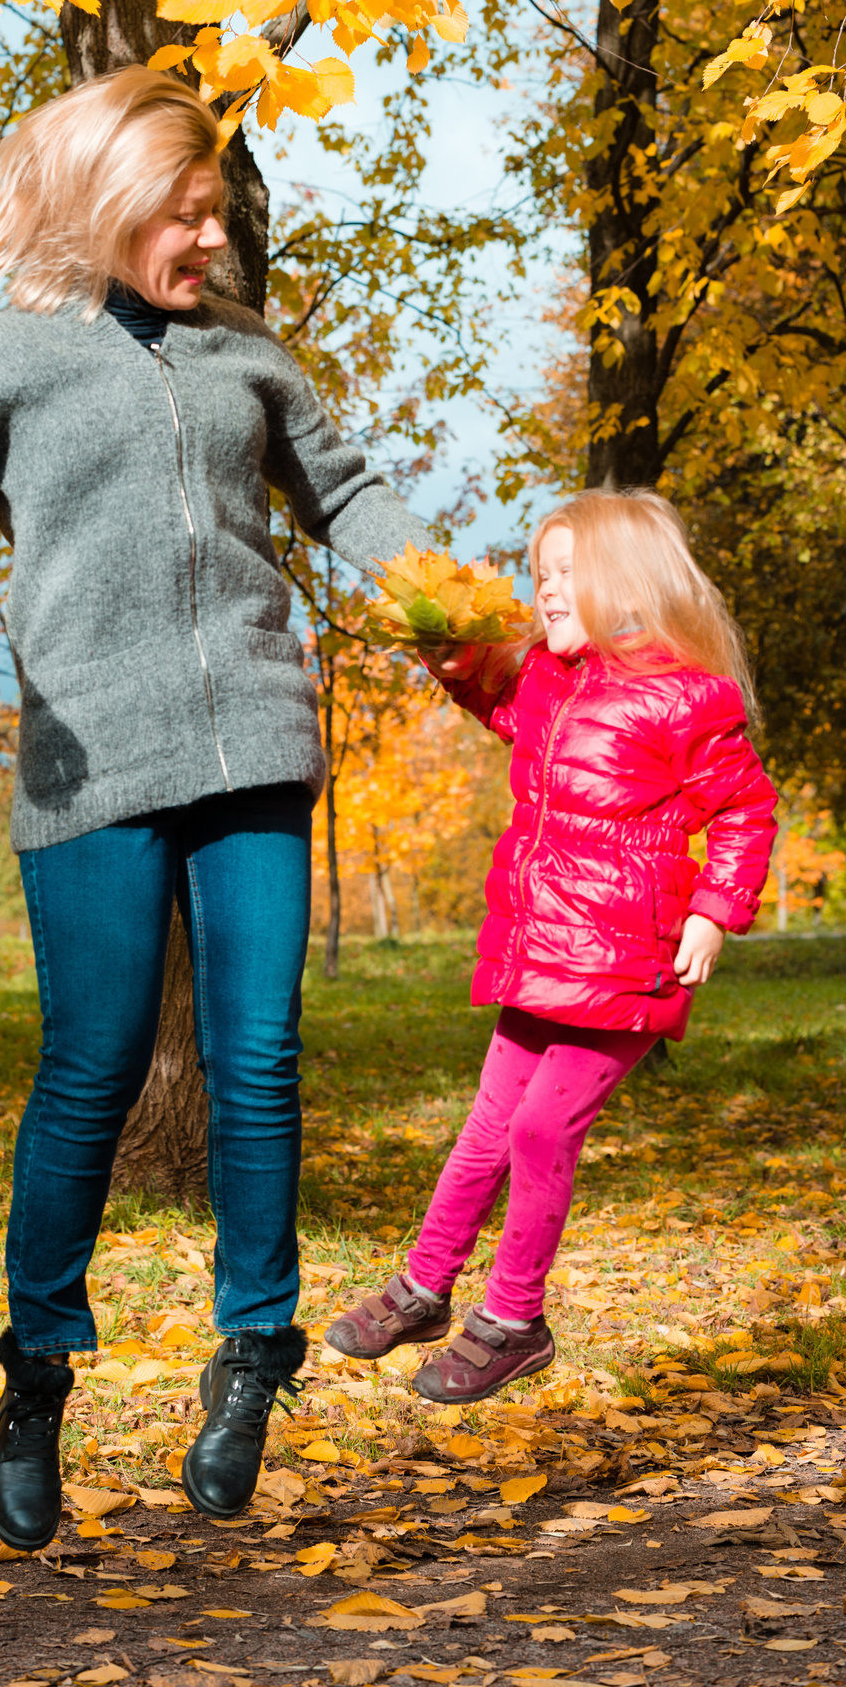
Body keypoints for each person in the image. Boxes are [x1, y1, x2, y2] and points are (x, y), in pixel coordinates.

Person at [0, 67, 428, 1548]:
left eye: (214, 213)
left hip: (255, 746)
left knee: (259, 1063)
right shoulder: (2, 356)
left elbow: (351, 500)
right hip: (92, 760)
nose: (207, 242)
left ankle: (254, 1356)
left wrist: (463, 609)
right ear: (107, 206)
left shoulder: (250, 358)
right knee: (92, 1073)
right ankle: (35, 1379)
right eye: (179, 216)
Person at [325, 488, 775, 1400]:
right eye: (541, 575)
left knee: (538, 1128)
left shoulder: (689, 698)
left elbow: (745, 809)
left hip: (631, 964)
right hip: (543, 951)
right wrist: (455, 664)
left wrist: (713, 911)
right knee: (487, 1129)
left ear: (626, 581)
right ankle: (425, 1287)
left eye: (569, 573)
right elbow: (506, 715)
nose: (549, 590)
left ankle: (515, 1319)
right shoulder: (547, 683)